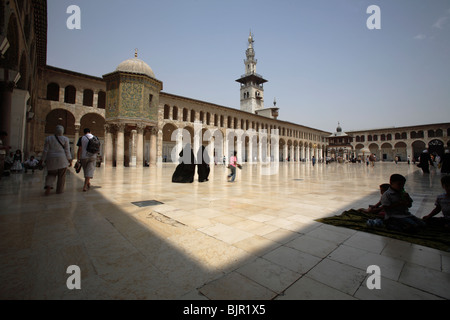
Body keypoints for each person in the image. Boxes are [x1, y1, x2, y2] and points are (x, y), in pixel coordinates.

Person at [40, 125, 72, 195]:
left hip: (51, 158)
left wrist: (42, 160)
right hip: (62, 159)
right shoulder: (65, 139)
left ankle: (48, 187)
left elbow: (45, 150)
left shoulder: (48, 138)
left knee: (51, 174)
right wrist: (70, 160)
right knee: (61, 176)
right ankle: (59, 190)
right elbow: (67, 151)